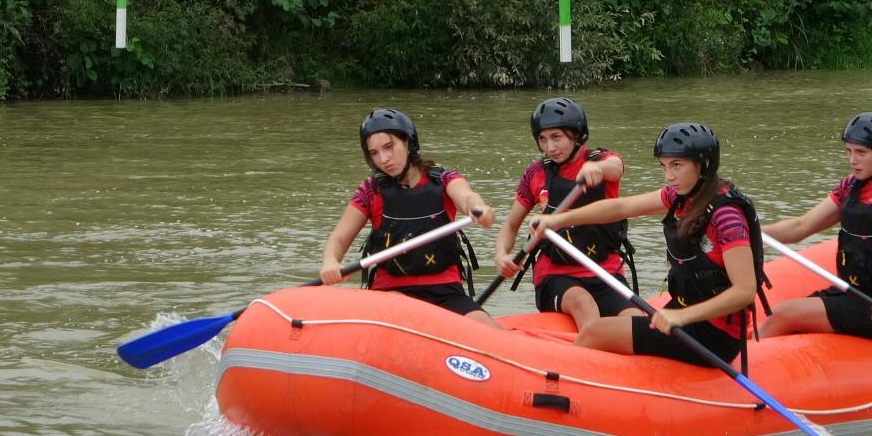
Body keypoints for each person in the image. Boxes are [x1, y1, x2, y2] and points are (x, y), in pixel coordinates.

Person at [533, 122, 766, 366]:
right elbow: (621, 207)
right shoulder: (680, 195)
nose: (669, 176)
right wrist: (559, 219)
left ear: (704, 164)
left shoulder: (726, 217)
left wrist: (681, 315)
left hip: (714, 335)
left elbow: (745, 290)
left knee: (593, 332)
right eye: (664, 166)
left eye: (677, 165)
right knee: (612, 329)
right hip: (686, 315)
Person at [759, 112, 872, 342]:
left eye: (861, 152)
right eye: (848, 151)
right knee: (779, 320)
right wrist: (748, 231)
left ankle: (740, 369)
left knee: (781, 314)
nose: (852, 160)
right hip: (851, 294)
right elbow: (800, 227)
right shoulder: (851, 187)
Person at [320, 108, 501, 328]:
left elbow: (466, 197)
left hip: (444, 291)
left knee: (489, 329)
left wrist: (478, 208)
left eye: (389, 147)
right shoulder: (370, 190)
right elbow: (339, 238)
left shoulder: (442, 179)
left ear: (408, 142)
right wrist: (331, 261)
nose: (384, 159)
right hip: (390, 293)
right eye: (374, 153)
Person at [493, 97, 641, 331]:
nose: (549, 147)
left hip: (605, 270)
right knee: (584, 303)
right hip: (555, 274)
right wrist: (502, 255)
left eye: (557, 137)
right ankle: (592, 358)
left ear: (576, 135)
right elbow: (511, 225)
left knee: (637, 320)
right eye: (543, 139)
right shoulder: (536, 173)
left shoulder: (601, 160)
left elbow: (615, 167)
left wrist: (598, 169)